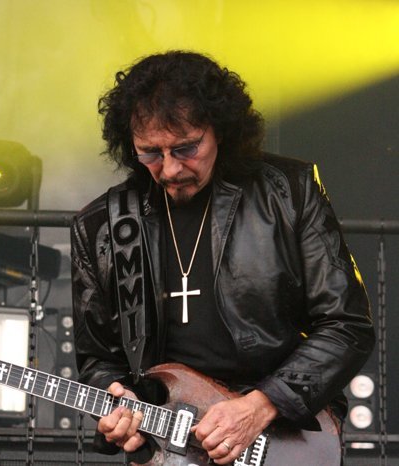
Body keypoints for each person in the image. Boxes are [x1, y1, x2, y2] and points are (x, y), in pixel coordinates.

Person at [70, 50, 374, 465]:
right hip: (170, 445)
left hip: (281, 434)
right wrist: (118, 402)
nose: (170, 169)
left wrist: (262, 404)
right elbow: (99, 360)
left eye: (186, 148)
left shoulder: (287, 191)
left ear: (221, 131)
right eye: (150, 153)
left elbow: (347, 324)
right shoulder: (102, 226)